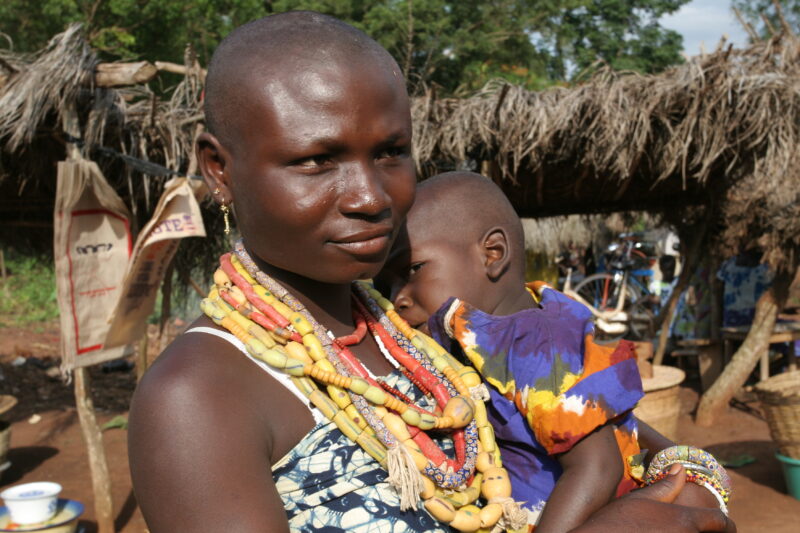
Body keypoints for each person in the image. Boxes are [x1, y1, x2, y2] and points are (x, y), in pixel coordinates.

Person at [128, 12, 736, 533]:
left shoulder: (420, 331)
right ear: (220, 169)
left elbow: (611, 435)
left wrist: (695, 485)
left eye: (390, 152)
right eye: (316, 160)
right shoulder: (197, 397)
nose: (371, 196)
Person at [376, 171, 732, 530]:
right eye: (384, 286)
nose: (396, 299)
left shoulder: (532, 341)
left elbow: (597, 466)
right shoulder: (495, 340)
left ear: (493, 254)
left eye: (412, 269)